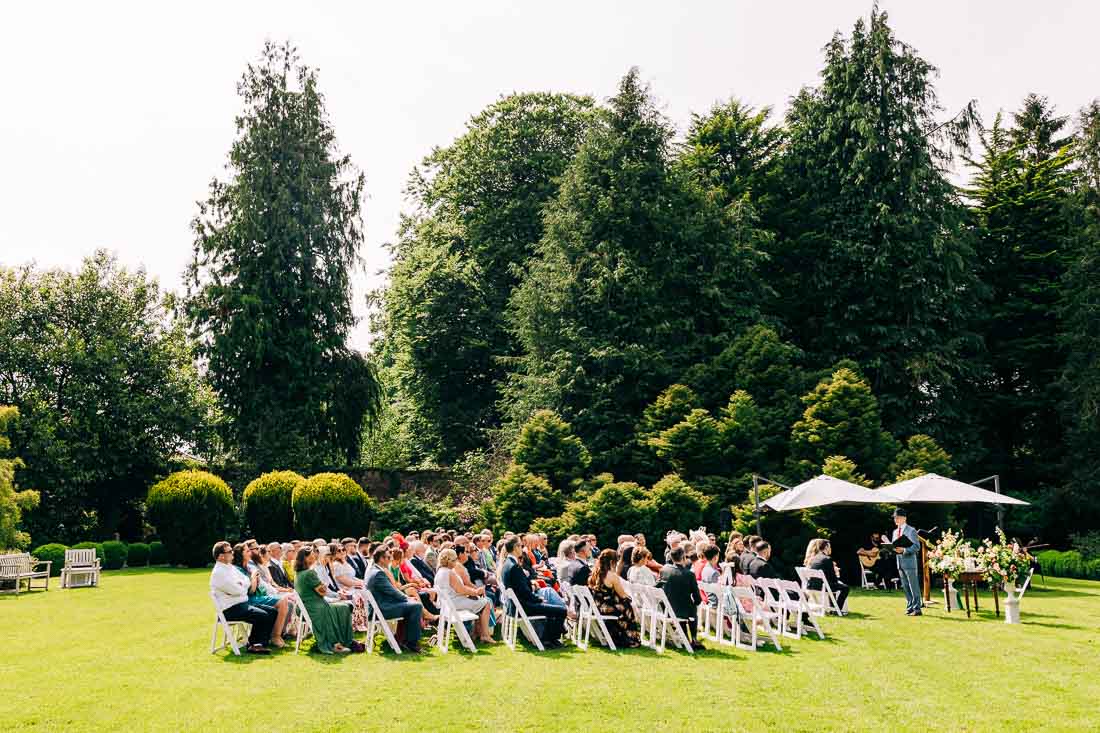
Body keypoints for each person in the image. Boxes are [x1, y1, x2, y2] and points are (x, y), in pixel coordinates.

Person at [209, 541, 277, 654]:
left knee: (272, 611)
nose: (232, 553)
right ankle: (255, 644)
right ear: (221, 556)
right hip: (230, 609)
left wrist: (242, 584)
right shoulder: (219, 572)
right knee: (263, 615)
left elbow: (246, 581)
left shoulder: (229, 567)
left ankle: (261, 642)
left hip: (241, 603)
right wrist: (243, 585)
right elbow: (238, 590)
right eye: (229, 551)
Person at [500, 535, 567, 648]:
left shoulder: (507, 564)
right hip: (524, 606)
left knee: (552, 609)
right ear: (516, 547)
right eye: (521, 546)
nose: (522, 548)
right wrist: (538, 599)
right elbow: (524, 593)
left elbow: (520, 587)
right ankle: (548, 640)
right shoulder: (514, 566)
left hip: (516, 606)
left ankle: (550, 639)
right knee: (562, 610)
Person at [293, 545, 361, 654]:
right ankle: (335, 644)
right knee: (342, 608)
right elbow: (322, 592)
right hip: (314, 607)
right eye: (311, 555)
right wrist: (324, 586)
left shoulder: (299, 573)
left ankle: (344, 641)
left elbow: (320, 590)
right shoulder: (310, 573)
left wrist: (323, 587)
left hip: (308, 606)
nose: (314, 557)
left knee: (343, 607)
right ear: (305, 558)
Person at [365, 547, 425, 652]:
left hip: (382, 606)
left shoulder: (375, 570)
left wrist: (406, 599)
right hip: (382, 609)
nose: (390, 559)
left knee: (412, 605)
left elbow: (390, 592)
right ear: (381, 559)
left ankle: (403, 640)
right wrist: (407, 599)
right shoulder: (378, 573)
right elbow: (392, 591)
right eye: (388, 557)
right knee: (416, 606)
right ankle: (412, 643)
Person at [434, 548, 494, 643]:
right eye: (454, 560)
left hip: (447, 604)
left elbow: (457, 590)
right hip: (454, 604)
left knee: (478, 601)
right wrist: (476, 591)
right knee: (486, 603)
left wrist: (473, 593)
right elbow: (461, 590)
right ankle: (485, 635)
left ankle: (476, 633)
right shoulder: (449, 573)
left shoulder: (440, 571)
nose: (456, 562)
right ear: (449, 561)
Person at [587, 549, 641, 648]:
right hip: (607, 608)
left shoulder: (595, 574)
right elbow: (622, 595)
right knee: (627, 606)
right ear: (612, 562)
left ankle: (618, 635)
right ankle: (630, 637)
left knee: (624, 606)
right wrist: (632, 601)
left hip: (598, 607)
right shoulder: (612, 576)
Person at [658, 547, 704, 650]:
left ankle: (687, 638)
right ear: (683, 557)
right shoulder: (689, 574)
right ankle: (694, 639)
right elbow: (697, 598)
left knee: (684, 606)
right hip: (682, 611)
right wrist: (696, 602)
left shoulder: (664, 570)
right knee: (691, 609)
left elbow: (657, 586)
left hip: (666, 609)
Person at [891, 508, 923, 616]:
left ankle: (917, 609)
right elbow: (894, 546)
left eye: (898, 517)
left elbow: (916, 547)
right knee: (905, 586)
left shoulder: (911, 530)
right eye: (895, 518)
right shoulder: (895, 532)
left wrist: (904, 550)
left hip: (909, 562)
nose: (896, 520)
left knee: (913, 586)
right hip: (899, 562)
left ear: (904, 518)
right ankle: (910, 607)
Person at [806, 539, 849, 613]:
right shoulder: (827, 559)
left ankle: (833, 608)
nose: (830, 549)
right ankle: (837, 609)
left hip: (812, 585)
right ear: (826, 547)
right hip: (822, 586)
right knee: (845, 588)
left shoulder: (814, 558)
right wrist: (837, 576)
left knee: (831, 586)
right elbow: (833, 578)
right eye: (830, 547)